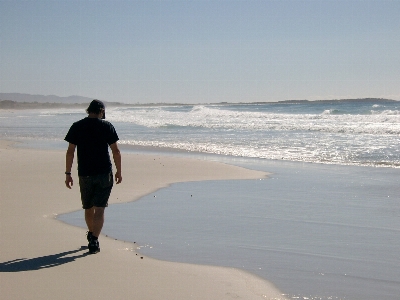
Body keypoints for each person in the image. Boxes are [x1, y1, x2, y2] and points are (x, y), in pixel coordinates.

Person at [64, 99, 122, 254]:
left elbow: (70, 151)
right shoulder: (106, 126)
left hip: (85, 173)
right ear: (101, 111)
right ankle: (94, 239)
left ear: (88, 110)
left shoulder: (77, 126)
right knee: (100, 209)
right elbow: (116, 151)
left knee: (88, 207)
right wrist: (119, 171)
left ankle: (92, 235)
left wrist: (68, 173)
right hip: (104, 173)